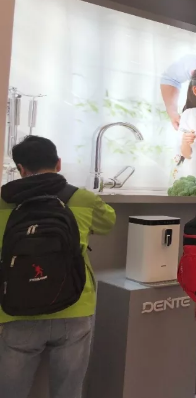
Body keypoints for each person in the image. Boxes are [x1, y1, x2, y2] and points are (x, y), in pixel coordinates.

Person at [0, 136, 116, 398]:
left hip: (17, 310)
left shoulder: (3, 201)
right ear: (59, 163)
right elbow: (108, 223)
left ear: (21, 168)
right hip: (75, 304)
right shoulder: (82, 198)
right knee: (68, 391)